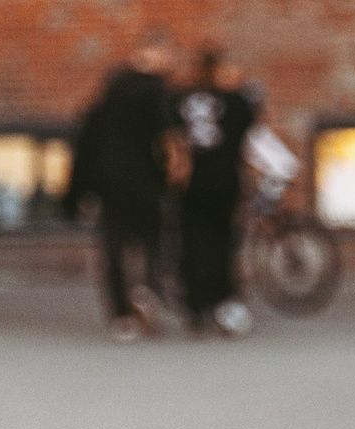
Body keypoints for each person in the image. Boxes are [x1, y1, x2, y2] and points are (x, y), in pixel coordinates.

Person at [69, 32, 181, 340]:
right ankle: (147, 290)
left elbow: (92, 128)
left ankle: (121, 315)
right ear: (157, 53)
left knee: (114, 245)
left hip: (109, 180)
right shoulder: (156, 88)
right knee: (151, 240)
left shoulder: (113, 84)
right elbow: (167, 135)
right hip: (143, 178)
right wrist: (175, 172)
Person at [177, 49, 259, 335]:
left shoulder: (184, 98)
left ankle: (195, 305)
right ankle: (220, 300)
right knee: (222, 244)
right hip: (224, 182)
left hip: (191, 184)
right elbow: (250, 123)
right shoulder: (234, 100)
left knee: (193, 243)